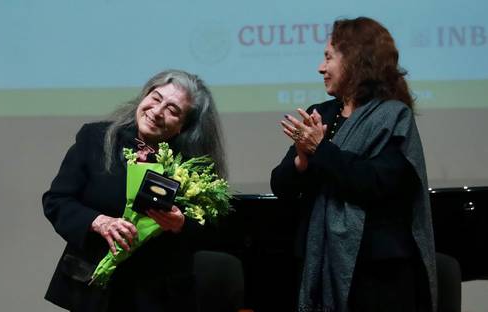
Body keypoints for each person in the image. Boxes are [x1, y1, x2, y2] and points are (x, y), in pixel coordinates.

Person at [270, 17, 437, 312]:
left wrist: (320, 150)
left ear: (356, 60)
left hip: (376, 272)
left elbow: (375, 182)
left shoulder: (393, 116)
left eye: (328, 58)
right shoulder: (319, 114)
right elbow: (281, 186)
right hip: (317, 261)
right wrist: (301, 159)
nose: (321, 68)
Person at [43, 69, 229, 311]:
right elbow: (57, 201)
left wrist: (181, 223)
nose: (157, 111)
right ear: (144, 96)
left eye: (173, 110)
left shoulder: (195, 165)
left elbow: (215, 232)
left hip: (158, 295)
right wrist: (99, 222)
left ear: (184, 126)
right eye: (156, 98)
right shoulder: (96, 138)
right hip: (92, 290)